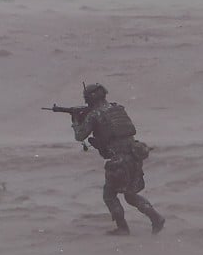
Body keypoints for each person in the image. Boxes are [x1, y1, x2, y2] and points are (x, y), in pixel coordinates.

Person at [70, 84, 164, 236]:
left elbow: (80, 136)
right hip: (134, 155)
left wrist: (75, 121)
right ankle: (156, 218)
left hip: (118, 160)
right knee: (131, 194)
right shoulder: (117, 109)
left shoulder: (95, 115)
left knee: (109, 194)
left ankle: (123, 228)